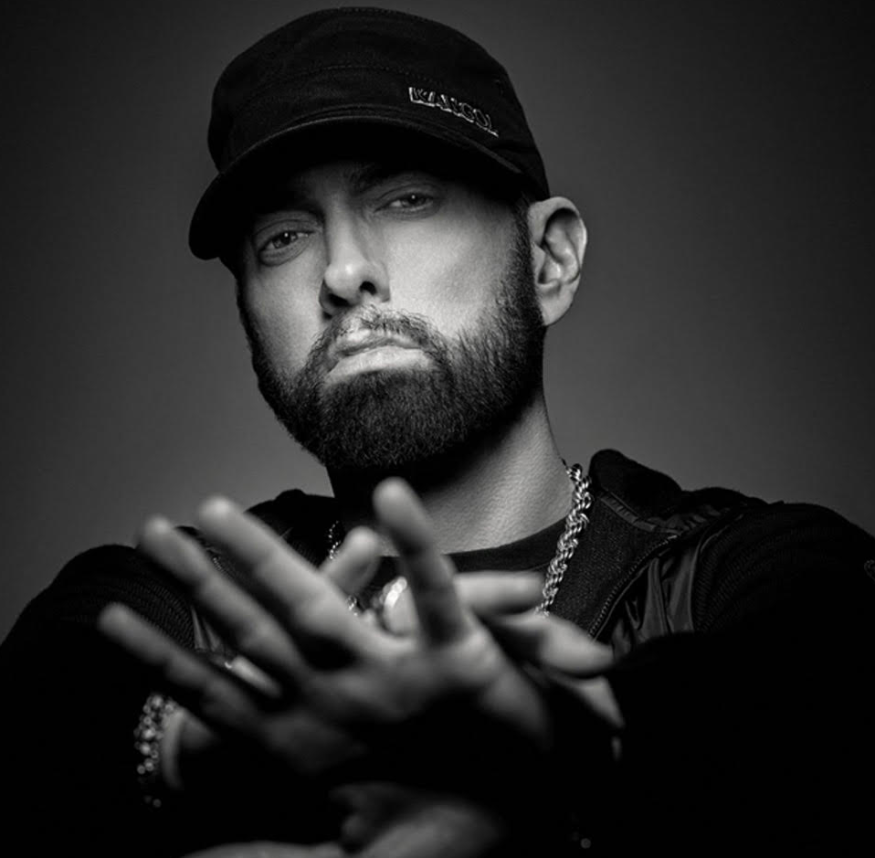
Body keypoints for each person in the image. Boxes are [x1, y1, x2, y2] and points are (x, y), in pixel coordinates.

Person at [2, 6, 873, 857]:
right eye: (283, 236)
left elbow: (808, 693)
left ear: (548, 260)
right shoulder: (186, 603)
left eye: (407, 198)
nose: (344, 271)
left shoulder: (731, 570)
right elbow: (50, 705)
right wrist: (195, 743)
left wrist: (548, 747)